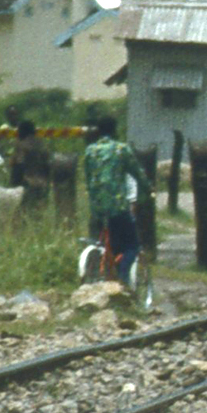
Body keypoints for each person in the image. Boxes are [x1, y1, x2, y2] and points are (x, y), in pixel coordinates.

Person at [81, 116, 153, 290]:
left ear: (98, 131)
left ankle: (99, 271)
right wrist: (149, 189)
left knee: (103, 242)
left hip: (97, 208)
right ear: (115, 130)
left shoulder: (90, 151)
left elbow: (88, 179)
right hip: (117, 207)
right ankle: (123, 277)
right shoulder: (121, 150)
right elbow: (137, 173)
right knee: (132, 246)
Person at [9, 118, 52, 212]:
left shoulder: (21, 144)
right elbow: (48, 163)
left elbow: (16, 164)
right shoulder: (41, 143)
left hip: (27, 183)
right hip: (43, 183)